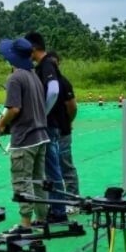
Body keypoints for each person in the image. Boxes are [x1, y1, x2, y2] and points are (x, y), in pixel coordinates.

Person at [0, 38, 50, 230]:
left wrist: (1, 124)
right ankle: (42, 218)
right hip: (41, 135)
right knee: (38, 180)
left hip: (25, 139)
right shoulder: (33, 75)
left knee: (22, 180)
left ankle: (25, 223)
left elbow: (15, 109)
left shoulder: (15, 78)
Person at [24, 32, 68, 223]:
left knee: (52, 167)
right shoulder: (43, 64)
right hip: (50, 123)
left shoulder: (47, 63)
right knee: (51, 167)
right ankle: (55, 208)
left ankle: (58, 211)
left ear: (33, 48)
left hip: (49, 124)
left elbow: (54, 90)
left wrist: (42, 112)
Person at [48, 51, 81, 214]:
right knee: (50, 168)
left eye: (54, 64)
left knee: (65, 165)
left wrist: (68, 122)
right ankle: (54, 201)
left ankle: (73, 200)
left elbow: (73, 107)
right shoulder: (44, 82)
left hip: (63, 131)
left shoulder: (63, 82)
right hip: (48, 130)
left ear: (58, 64)